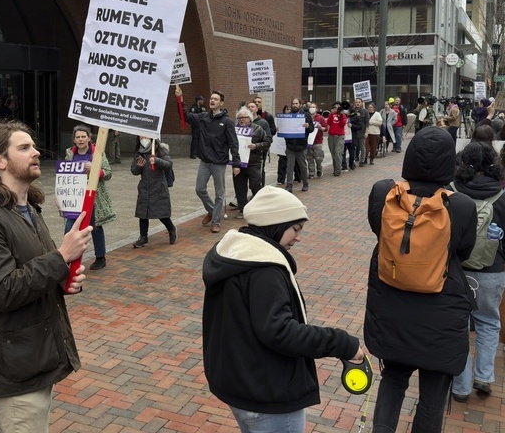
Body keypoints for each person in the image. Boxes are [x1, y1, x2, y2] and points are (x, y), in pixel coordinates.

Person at [0, 119, 91, 433]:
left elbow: (38, 270)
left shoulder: (28, 207)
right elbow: (3, 290)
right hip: (15, 365)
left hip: (37, 355)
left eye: (34, 146)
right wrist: (60, 257)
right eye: (24, 147)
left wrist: (65, 281)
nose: (36, 152)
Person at [202, 186, 364, 433]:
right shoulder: (265, 269)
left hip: (240, 385)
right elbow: (279, 331)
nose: (299, 237)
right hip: (268, 395)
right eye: (296, 229)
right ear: (274, 225)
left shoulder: (236, 253)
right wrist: (342, 343)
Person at [365, 127, 476, 432]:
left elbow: (379, 230)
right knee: (433, 394)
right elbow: (463, 252)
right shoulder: (462, 207)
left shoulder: (383, 193)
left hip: (392, 306)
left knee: (393, 378)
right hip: (441, 313)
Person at [449, 142, 505, 403]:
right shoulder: (502, 195)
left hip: (457, 268)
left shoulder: (452, 191)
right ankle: (484, 376)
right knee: (488, 322)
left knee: (458, 324)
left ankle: (460, 386)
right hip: (493, 269)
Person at [176, 87, 240, 234]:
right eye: (211, 98)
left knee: (219, 194)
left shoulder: (227, 122)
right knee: (199, 189)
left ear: (221, 103)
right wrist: (180, 99)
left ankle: (216, 222)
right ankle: (213, 211)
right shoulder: (203, 117)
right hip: (204, 161)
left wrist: (236, 163)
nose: (212, 100)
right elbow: (184, 116)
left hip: (219, 163)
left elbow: (233, 143)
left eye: (215, 99)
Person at [64, 125, 115, 270]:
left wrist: (95, 170)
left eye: (83, 136)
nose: (80, 139)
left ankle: (100, 257)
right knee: (69, 228)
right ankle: (69, 256)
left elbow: (108, 173)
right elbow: (64, 175)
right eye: (77, 137)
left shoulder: (97, 153)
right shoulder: (69, 154)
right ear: (74, 139)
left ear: (89, 138)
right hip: (75, 196)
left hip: (93, 197)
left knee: (96, 227)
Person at [130, 136, 177, 247]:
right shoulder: (138, 152)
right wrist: (139, 166)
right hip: (144, 186)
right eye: (141, 136)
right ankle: (143, 237)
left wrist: (157, 160)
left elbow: (169, 164)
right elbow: (134, 171)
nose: (143, 138)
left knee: (161, 212)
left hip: (158, 186)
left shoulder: (159, 149)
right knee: (143, 213)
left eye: (145, 135)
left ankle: (171, 229)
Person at [232, 107, 271, 218]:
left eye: (244, 117)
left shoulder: (258, 129)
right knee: (239, 188)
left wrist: (257, 146)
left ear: (249, 119)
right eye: (239, 118)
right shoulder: (234, 130)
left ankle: (258, 207)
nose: (241, 120)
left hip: (254, 163)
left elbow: (267, 142)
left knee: (255, 186)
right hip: (238, 164)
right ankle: (242, 209)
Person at [284, 98, 313, 193]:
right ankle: (289, 185)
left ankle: (305, 182)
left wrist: (308, 126)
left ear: (300, 104)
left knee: (302, 166)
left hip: (301, 145)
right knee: (289, 166)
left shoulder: (306, 116)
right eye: (293, 103)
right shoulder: (288, 116)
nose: (294, 105)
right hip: (290, 145)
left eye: (296, 103)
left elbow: (312, 129)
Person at [326, 101, 348, 176]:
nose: (336, 109)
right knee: (333, 153)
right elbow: (329, 123)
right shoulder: (331, 115)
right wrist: (331, 114)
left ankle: (338, 170)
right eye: (334, 107)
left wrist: (341, 115)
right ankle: (335, 168)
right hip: (331, 136)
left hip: (339, 136)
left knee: (338, 153)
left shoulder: (343, 115)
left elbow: (342, 124)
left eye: (337, 107)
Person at [306, 103, 327, 179]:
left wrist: (321, 127)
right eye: (310, 107)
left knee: (318, 158)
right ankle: (311, 172)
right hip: (308, 142)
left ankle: (319, 169)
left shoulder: (320, 118)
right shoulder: (306, 117)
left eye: (313, 107)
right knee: (309, 158)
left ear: (316, 109)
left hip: (317, 141)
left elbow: (326, 128)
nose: (312, 108)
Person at [354, 98, 370, 166]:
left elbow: (367, 123)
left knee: (362, 146)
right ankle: (354, 158)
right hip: (354, 131)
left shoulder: (365, 111)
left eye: (359, 102)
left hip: (362, 131)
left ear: (361, 103)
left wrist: (366, 132)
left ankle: (362, 160)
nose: (357, 103)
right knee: (354, 146)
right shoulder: (352, 111)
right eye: (356, 102)